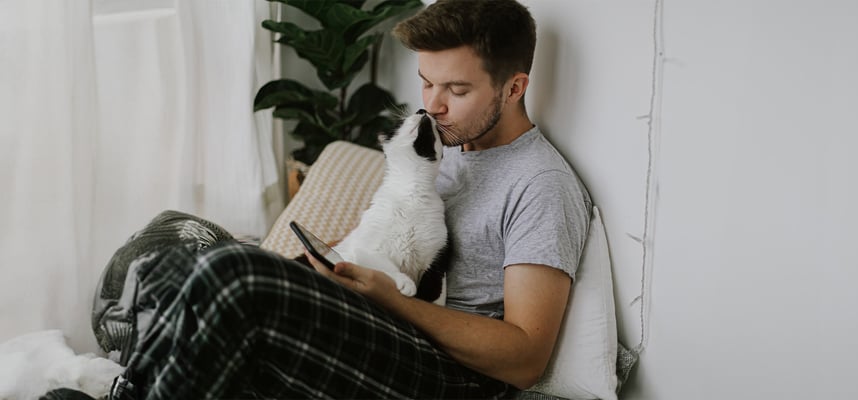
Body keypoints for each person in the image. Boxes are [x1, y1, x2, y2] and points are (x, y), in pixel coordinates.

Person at [46, 0, 590, 399]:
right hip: (379, 322)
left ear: (514, 87)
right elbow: (381, 238)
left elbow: (524, 357)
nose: (432, 105)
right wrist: (309, 266)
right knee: (177, 259)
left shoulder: (540, 184)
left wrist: (392, 299)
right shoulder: (445, 150)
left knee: (235, 274)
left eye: (457, 90)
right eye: (426, 83)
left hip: (449, 376)